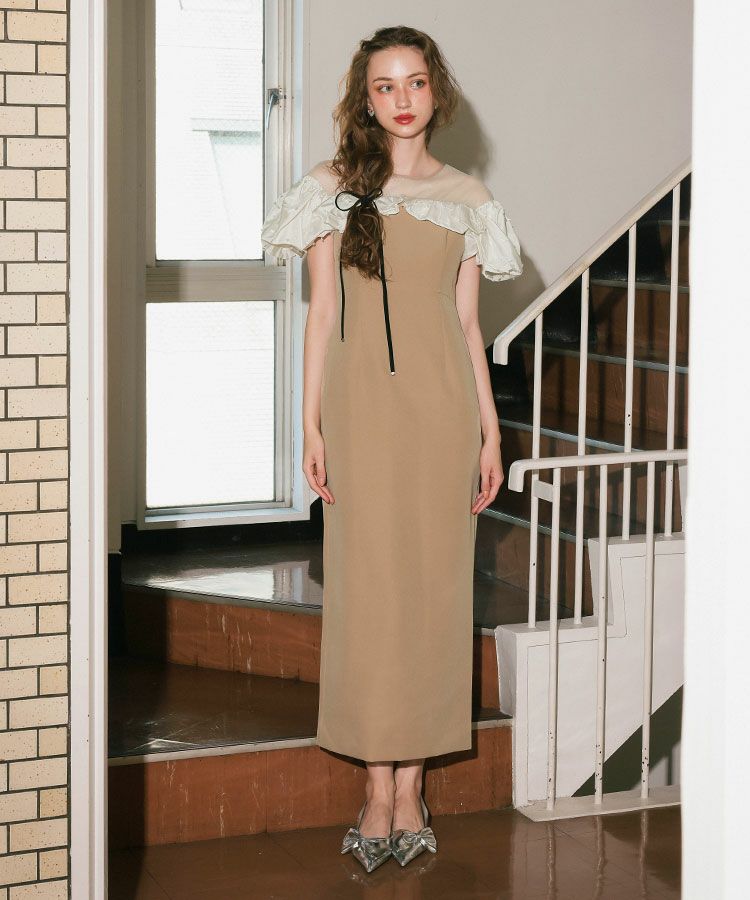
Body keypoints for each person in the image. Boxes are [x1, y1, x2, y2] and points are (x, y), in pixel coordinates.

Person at [261, 24, 523, 872]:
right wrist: (310, 424)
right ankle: (376, 788)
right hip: (360, 413)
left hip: (442, 414)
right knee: (371, 595)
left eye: (414, 82)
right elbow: (321, 315)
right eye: (385, 85)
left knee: (435, 594)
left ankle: (413, 787)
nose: (402, 99)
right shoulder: (330, 189)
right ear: (365, 99)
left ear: (435, 91)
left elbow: (467, 326)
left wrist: (490, 431)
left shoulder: (468, 197)